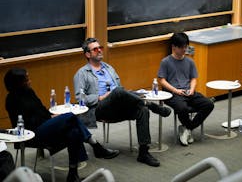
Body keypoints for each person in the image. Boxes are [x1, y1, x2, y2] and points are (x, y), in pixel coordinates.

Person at [4, 68, 119, 182]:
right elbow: (26, 122)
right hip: (31, 133)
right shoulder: (11, 100)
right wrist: (51, 120)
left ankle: (73, 175)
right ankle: (95, 145)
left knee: (73, 132)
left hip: (45, 125)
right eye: (27, 79)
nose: (30, 81)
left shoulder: (29, 92)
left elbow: (42, 110)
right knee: (70, 116)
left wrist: (52, 118)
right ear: (18, 83)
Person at [73, 37, 172, 167]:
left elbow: (121, 93)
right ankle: (150, 104)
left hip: (118, 107)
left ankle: (143, 153)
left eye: (100, 48)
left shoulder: (109, 68)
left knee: (142, 110)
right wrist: (100, 97)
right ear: (87, 54)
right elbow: (80, 98)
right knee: (119, 91)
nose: (99, 51)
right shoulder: (82, 73)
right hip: (100, 109)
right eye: (95, 49)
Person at [157, 32, 214, 146]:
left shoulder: (190, 61)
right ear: (173, 47)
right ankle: (188, 129)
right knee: (182, 108)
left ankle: (187, 128)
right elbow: (161, 80)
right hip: (172, 93)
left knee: (208, 104)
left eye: (186, 47)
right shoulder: (166, 62)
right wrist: (175, 90)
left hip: (188, 92)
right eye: (181, 47)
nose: (184, 49)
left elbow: (193, 78)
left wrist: (192, 89)